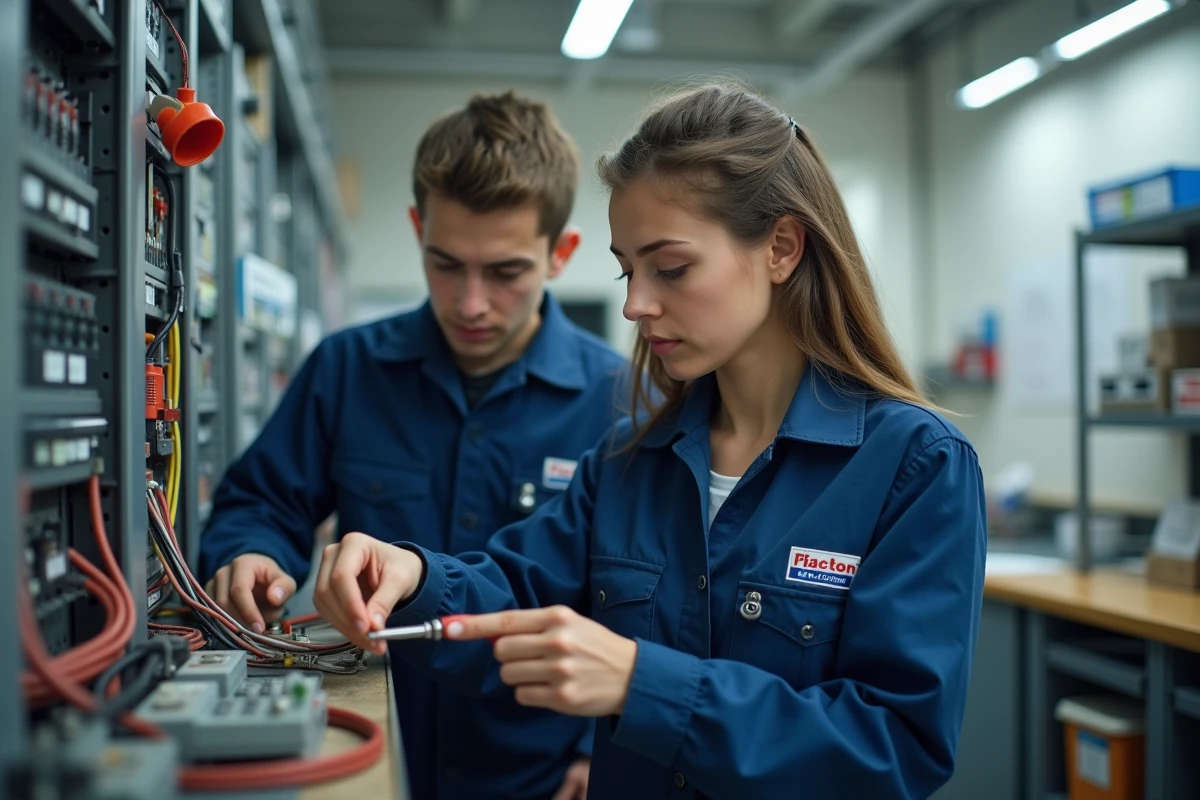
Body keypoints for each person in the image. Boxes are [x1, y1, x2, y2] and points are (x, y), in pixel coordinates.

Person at [312, 83, 988, 799]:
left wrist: (644, 685)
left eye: (670, 268)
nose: (635, 303)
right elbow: (517, 591)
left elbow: (895, 746)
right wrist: (413, 578)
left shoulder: (917, 467)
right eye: (628, 269)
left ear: (782, 248)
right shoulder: (632, 460)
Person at [198, 90, 628, 800]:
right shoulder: (346, 369)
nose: (470, 303)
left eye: (506, 271)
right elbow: (262, 500)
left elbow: (638, 606)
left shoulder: (618, 400)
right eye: (445, 263)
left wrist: (601, 749)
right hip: (371, 742)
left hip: (538, 770)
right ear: (415, 228)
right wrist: (250, 555)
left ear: (560, 254)